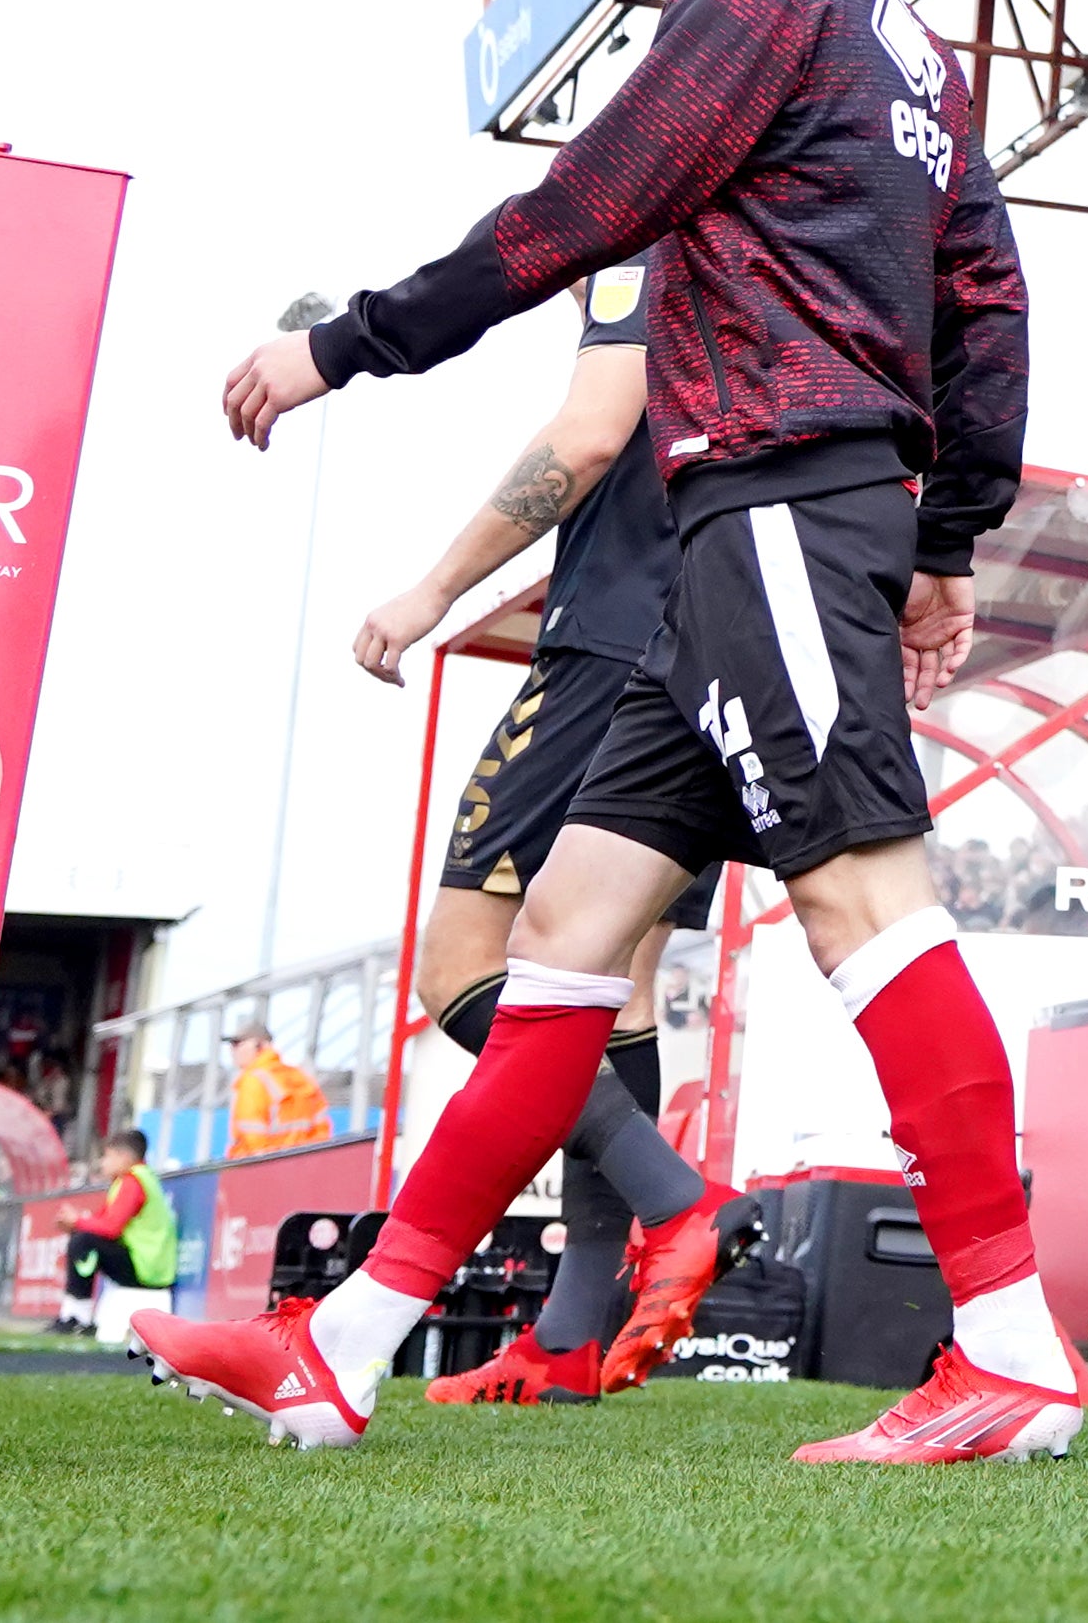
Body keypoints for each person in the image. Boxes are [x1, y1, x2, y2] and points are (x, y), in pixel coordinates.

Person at [130, 0, 1069, 1463]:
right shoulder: (916, 42)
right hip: (743, 524)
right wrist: (952, 534)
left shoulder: (746, 1)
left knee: (867, 896)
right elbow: (989, 295)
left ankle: (1012, 1351)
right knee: (566, 929)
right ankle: (345, 1342)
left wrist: (344, 342)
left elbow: (579, 208)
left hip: (782, 489)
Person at [343, 260, 740, 1402]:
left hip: (611, 653)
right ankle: (572, 1335)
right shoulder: (770, 267)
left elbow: (585, 436)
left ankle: (677, 1202)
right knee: (615, 983)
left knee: (463, 964)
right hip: (719, 655)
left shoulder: (639, 257)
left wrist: (432, 592)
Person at [64, 1127, 183, 1342]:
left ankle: (77, 1317)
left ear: (124, 1157)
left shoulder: (133, 1181)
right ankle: (75, 1315)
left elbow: (111, 1228)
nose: (102, 1163)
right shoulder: (136, 1179)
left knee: (84, 1241)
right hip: (149, 1268)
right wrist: (77, 1223)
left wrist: (77, 1222)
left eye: (107, 1156)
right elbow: (102, 1221)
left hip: (146, 1270)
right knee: (82, 1236)